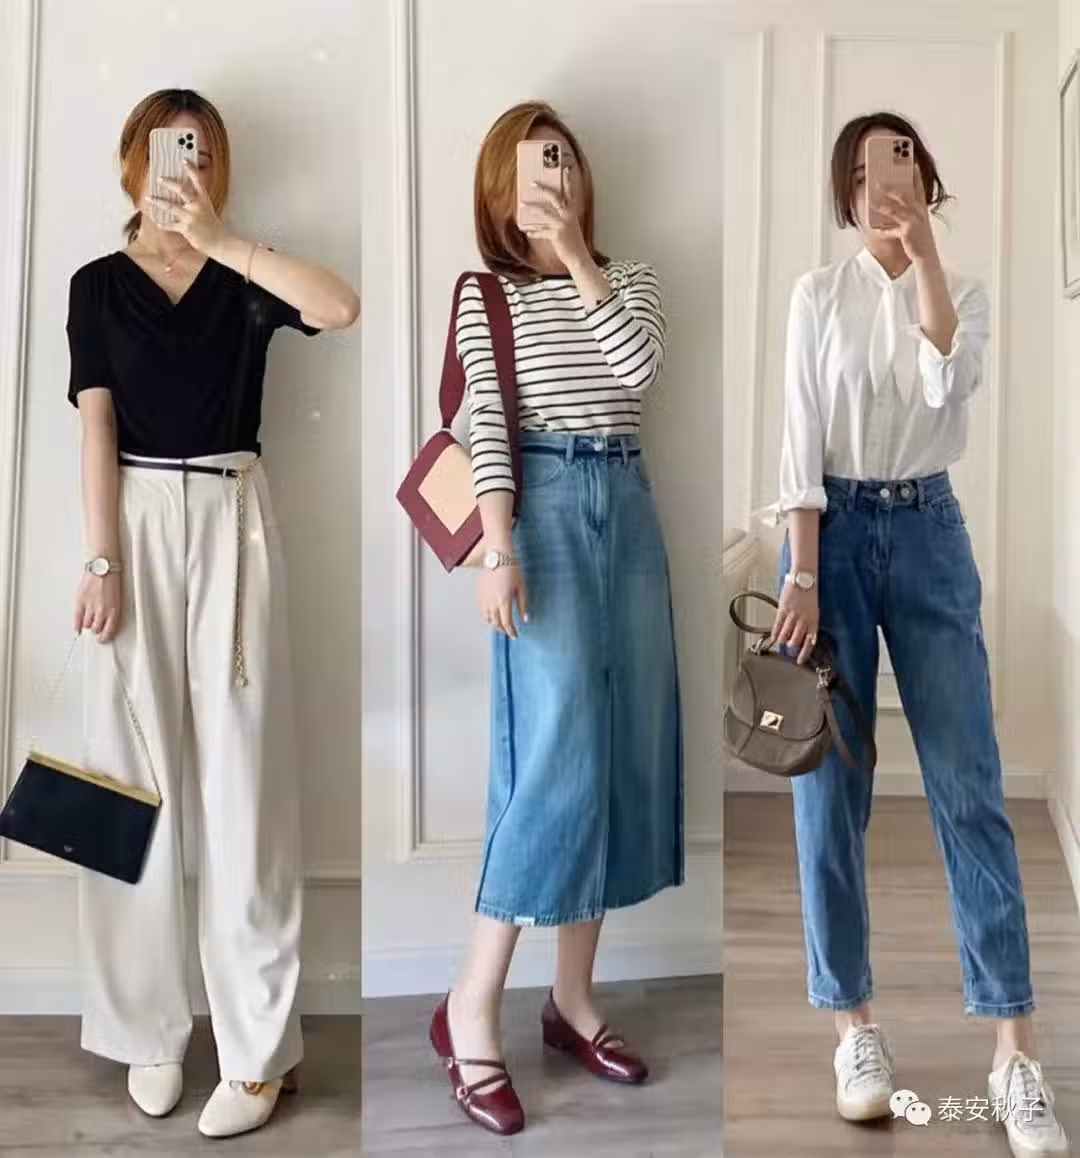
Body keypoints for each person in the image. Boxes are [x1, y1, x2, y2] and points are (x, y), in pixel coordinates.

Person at [769, 110, 1069, 1158]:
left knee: (969, 784)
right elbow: (799, 441)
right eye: (860, 174)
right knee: (830, 794)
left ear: (925, 180)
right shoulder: (816, 295)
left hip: (931, 530)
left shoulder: (962, 291)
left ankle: (1015, 1052)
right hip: (834, 537)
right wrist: (802, 571)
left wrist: (926, 257)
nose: (880, 187)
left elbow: (948, 372)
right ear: (843, 193)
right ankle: (853, 1027)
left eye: (897, 165)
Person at [69, 88, 359, 1139]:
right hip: (136, 518)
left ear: (217, 167)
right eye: (164, 149)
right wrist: (100, 558)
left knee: (246, 781)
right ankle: (145, 1030)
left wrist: (223, 240)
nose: (179, 167)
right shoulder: (95, 285)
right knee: (120, 776)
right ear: (132, 159)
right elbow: (96, 428)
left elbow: (341, 306)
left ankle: (257, 1051)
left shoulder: (245, 277)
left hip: (236, 512)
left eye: (197, 153)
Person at [426, 101, 683, 1137]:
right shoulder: (483, 296)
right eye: (535, 166)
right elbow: (487, 421)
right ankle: (469, 1002)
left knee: (619, 748)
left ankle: (572, 999)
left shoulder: (634, 281)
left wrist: (578, 257)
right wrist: (498, 546)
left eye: (565, 162)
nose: (553, 179)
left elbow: (639, 372)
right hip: (543, 511)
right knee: (554, 753)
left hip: (630, 502)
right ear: (501, 188)